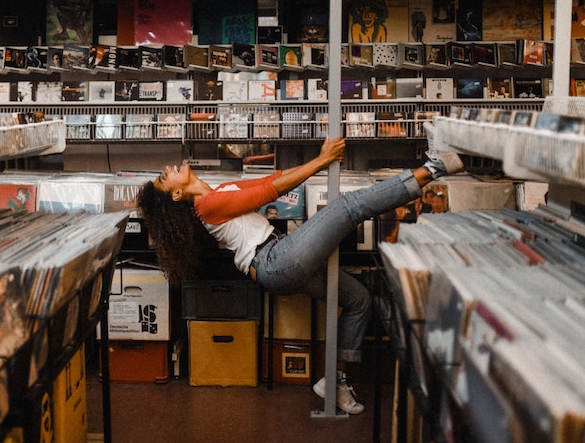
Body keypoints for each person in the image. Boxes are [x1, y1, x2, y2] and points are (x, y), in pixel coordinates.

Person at [138, 123, 463, 414]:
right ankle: (434, 167)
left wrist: (315, 164)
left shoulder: (219, 192)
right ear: (177, 194)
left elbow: (271, 180)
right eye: (166, 176)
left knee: (359, 299)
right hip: (275, 261)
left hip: (279, 258)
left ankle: (335, 382)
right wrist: (322, 159)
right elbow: (271, 192)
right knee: (349, 206)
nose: (169, 167)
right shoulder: (205, 205)